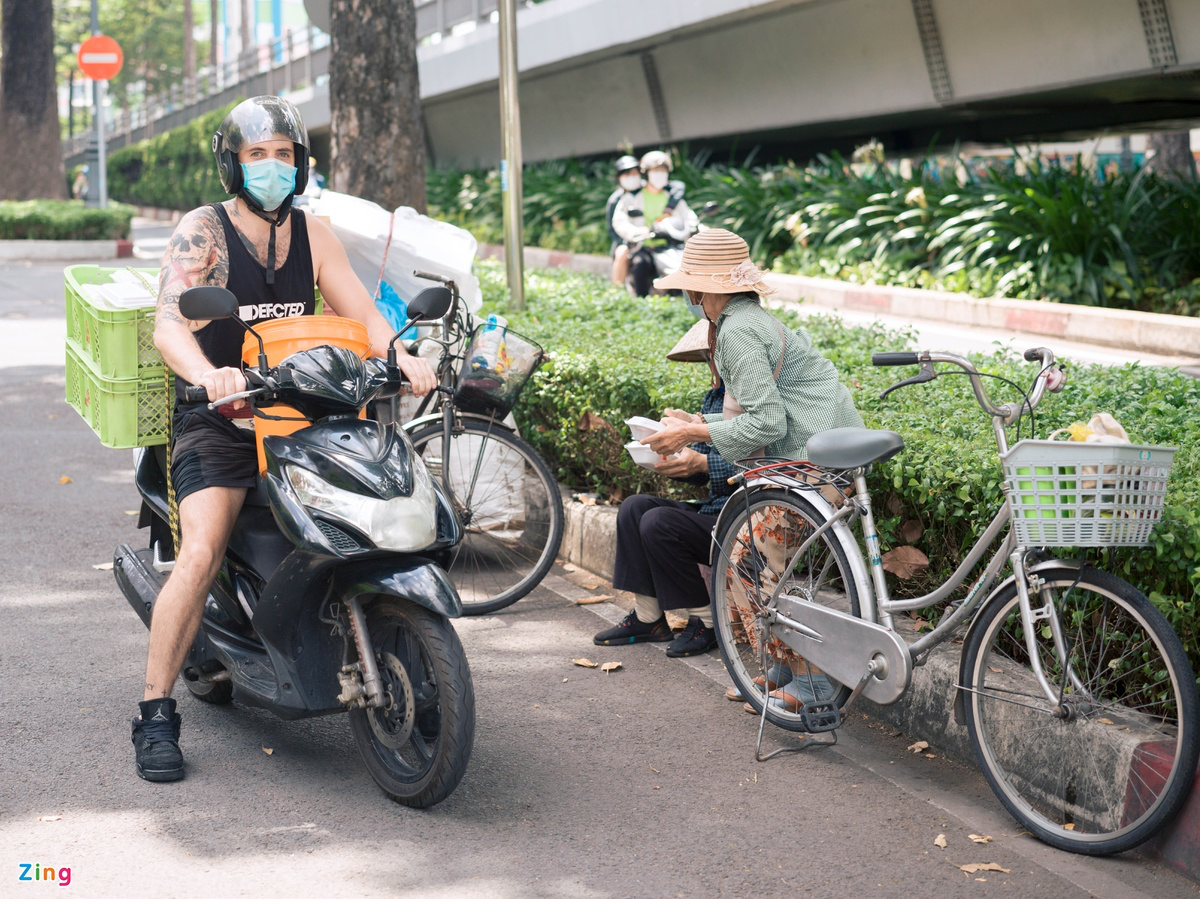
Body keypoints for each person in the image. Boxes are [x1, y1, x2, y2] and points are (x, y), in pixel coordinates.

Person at [132, 95, 436, 783]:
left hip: (300, 413)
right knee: (203, 550)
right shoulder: (202, 233)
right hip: (223, 419)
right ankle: (154, 710)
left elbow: (361, 312)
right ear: (234, 165)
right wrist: (209, 375)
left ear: (300, 164)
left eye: (283, 155)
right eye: (257, 155)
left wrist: (404, 357)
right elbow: (169, 324)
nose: (272, 166)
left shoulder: (314, 233)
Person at [594, 229, 864, 668]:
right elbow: (760, 415)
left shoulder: (736, 332)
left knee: (742, 561)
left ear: (699, 288)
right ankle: (776, 680)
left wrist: (691, 435)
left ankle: (799, 684)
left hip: (809, 472)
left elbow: (768, 421)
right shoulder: (745, 321)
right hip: (818, 464)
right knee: (706, 541)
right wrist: (699, 423)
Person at [593, 318, 734, 657]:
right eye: (709, 356)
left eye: (717, 354)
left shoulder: (756, 401)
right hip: (714, 510)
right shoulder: (716, 398)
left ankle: (706, 622)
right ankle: (648, 618)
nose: (714, 364)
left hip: (742, 517)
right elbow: (703, 468)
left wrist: (701, 462)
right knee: (634, 508)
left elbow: (760, 461)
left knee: (658, 524)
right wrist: (678, 458)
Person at [610, 150, 696, 297]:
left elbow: (688, 215)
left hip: (670, 244)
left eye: (663, 171)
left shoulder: (672, 197)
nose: (660, 175)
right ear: (647, 173)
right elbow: (620, 221)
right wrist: (636, 231)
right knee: (640, 264)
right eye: (656, 171)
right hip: (643, 245)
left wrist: (696, 226)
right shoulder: (632, 197)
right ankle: (636, 298)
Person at [606, 155, 642, 287]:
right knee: (621, 252)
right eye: (627, 174)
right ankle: (618, 289)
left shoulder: (648, 191)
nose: (632, 177)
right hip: (626, 241)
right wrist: (627, 242)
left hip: (648, 237)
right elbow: (612, 228)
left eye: (634, 173)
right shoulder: (615, 200)